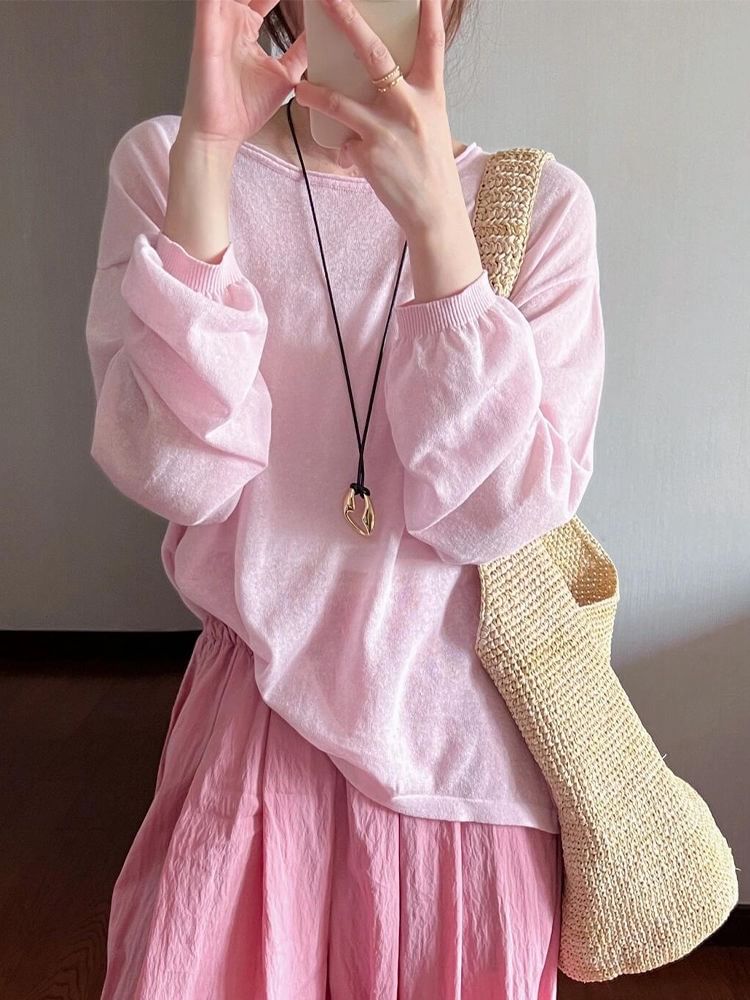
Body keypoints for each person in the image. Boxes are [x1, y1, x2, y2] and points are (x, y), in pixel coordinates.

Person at [84, 0, 606, 995]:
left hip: (464, 774)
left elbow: (496, 515)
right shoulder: (170, 162)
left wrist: (441, 237)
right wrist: (208, 159)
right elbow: (180, 475)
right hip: (253, 746)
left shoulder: (540, 208)